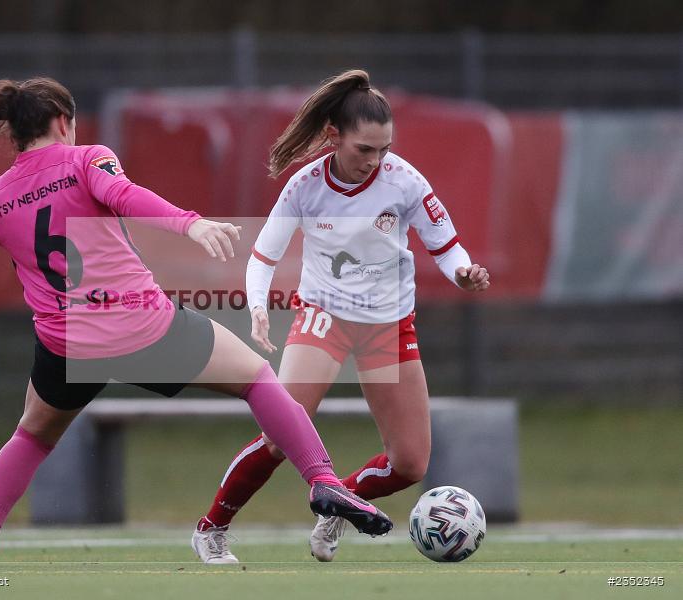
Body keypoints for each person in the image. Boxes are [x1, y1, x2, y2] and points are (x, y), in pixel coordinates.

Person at [0, 73, 393, 567]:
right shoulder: (88, 160)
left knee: (32, 436)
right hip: (142, 327)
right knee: (257, 379)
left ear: (13, 131)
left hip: (66, 344)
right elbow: (126, 196)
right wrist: (189, 226)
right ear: (63, 120)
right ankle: (323, 479)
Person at [191, 69, 490, 564]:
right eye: (364, 150)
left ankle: (338, 505)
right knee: (281, 432)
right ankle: (211, 529)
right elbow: (264, 256)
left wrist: (463, 273)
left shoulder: (406, 181)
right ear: (333, 136)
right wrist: (259, 308)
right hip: (323, 318)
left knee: (411, 463)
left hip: (389, 326)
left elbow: (447, 245)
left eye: (384, 150)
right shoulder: (304, 186)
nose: (375, 161)